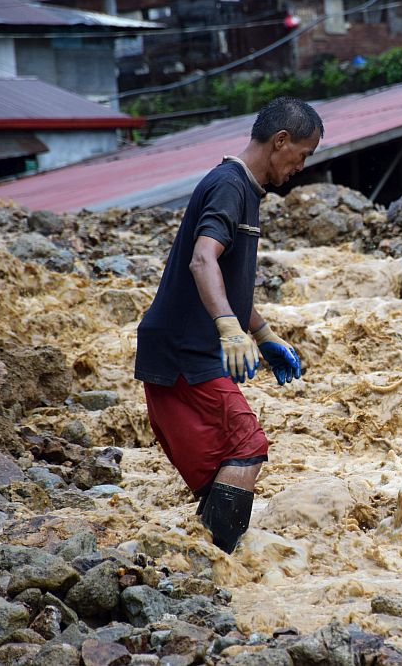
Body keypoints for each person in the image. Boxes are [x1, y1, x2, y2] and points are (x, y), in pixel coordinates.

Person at [134, 97, 323, 554]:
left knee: (221, 468)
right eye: (304, 153)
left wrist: (262, 333)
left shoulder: (243, 189)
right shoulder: (229, 185)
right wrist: (228, 329)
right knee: (247, 446)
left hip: (182, 349)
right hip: (185, 350)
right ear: (281, 141)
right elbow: (203, 261)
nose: (303, 165)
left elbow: (227, 279)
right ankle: (220, 564)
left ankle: (204, 569)